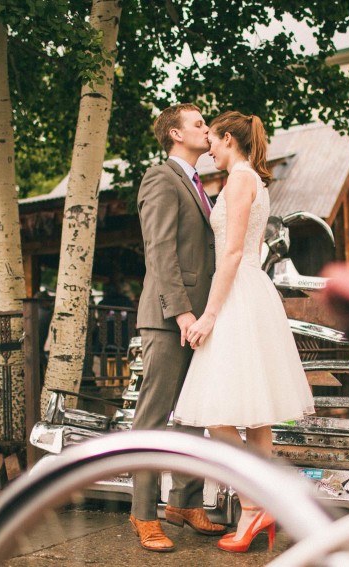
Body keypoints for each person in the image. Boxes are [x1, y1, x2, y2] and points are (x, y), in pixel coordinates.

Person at [173, 111, 315, 553]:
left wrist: (210, 315)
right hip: (253, 292)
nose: (209, 148)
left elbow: (232, 253)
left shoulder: (238, 180)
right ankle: (261, 505)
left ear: (229, 139)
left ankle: (254, 504)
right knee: (255, 415)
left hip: (236, 294)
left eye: (213, 140)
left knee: (217, 412)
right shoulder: (254, 179)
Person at [130, 103, 227, 552]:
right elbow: (160, 251)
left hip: (200, 319)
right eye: (199, 123)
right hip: (170, 319)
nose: (207, 129)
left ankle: (185, 502)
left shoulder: (199, 184)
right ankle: (144, 514)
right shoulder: (160, 178)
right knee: (152, 421)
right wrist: (183, 313)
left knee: (193, 417)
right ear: (174, 133)